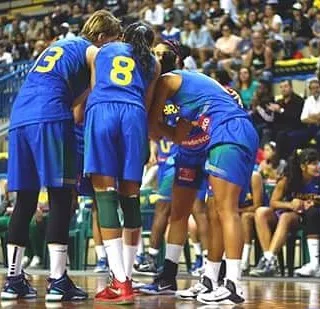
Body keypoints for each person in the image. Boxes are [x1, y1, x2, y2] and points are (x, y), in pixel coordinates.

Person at [1, 10, 121, 302]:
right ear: (102, 37)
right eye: (112, 43)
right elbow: (96, 91)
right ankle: (58, 281)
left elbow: (73, 98)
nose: (110, 51)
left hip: (19, 119)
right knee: (61, 196)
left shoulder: (57, 47)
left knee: (25, 199)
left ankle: (13, 280)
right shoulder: (92, 50)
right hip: (50, 116)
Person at [146, 43, 259, 305]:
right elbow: (178, 134)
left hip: (227, 133)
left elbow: (153, 125)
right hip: (226, 134)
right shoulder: (191, 92)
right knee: (214, 212)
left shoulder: (166, 80)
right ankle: (210, 279)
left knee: (227, 211)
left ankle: (233, 285)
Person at [84, 22, 160, 305]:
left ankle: (120, 281)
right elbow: (148, 102)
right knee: (130, 198)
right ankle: (127, 276)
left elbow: (94, 87)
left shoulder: (102, 50)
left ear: (124, 36)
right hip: (134, 116)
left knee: (104, 198)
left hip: (103, 109)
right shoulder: (152, 62)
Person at [250, 148, 320, 277]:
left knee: (286, 217)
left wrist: (314, 202)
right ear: (303, 166)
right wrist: (290, 204)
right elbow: (273, 202)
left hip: (307, 218)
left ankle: (269, 259)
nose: (317, 167)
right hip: (288, 212)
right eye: (313, 164)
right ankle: (269, 259)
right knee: (261, 212)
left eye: (318, 163)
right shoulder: (289, 179)